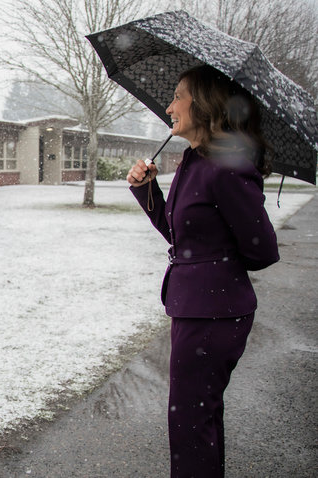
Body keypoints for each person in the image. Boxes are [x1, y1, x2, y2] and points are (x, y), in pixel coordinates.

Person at [126, 65, 279, 477]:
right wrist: (146, 189)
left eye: (178, 96)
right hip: (193, 306)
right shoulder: (194, 159)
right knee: (197, 417)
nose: (170, 106)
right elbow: (179, 234)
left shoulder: (226, 166)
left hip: (217, 312)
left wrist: (215, 260)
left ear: (204, 103)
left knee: (191, 421)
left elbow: (262, 249)